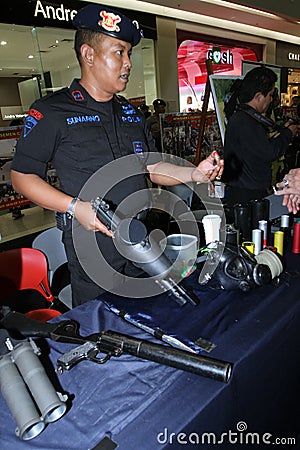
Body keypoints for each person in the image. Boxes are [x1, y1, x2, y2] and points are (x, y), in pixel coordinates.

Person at [10, 3, 223, 307]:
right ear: (89, 55)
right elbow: (21, 177)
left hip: (142, 232)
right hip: (93, 245)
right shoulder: (52, 111)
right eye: (118, 52)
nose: (128, 63)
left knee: (150, 312)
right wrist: (74, 207)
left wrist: (193, 173)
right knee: (104, 324)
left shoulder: (130, 112)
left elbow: (150, 166)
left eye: (129, 54)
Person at [222, 66, 300, 207]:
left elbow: (257, 149)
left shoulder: (243, 118)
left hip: (245, 190)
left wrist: (280, 134)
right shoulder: (245, 121)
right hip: (246, 195)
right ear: (258, 97)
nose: (271, 100)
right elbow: (268, 153)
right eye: (270, 95)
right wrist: (287, 134)